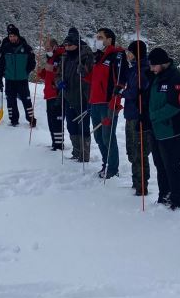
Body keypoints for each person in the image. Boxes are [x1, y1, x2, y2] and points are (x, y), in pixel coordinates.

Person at [148, 47, 180, 210]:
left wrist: (153, 116)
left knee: (171, 165)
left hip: (173, 130)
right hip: (157, 129)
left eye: (153, 65)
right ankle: (163, 193)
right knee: (159, 164)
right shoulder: (157, 77)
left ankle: (176, 198)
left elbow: (175, 105)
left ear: (162, 63)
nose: (151, 69)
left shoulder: (174, 77)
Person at [89, 28, 128, 179]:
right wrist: (84, 73)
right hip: (95, 102)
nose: (97, 40)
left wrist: (116, 100)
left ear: (109, 39)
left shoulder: (116, 55)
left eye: (101, 37)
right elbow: (93, 79)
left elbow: (121, 79)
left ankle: (113, 168)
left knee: (108, 136)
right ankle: (106, 163)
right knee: (98, 137)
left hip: (108, 102)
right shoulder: (97, 56)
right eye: (97, 37)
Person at [59, 28, 94, 162]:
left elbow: (91, 72)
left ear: (76, 44)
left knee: (83, 126)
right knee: (71, 125)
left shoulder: (86, 55)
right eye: (65, 45)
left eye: (69, 45)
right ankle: (76, 151)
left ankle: (84, 155)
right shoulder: (65, 57)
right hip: (68, 96)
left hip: (82, 96)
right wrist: (59, 82)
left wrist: (84, 70)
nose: (67, 47)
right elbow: (58, 73)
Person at [123, 40, 152, 195]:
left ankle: (142, 184)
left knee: (139, 152)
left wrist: (122, 93)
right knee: (131, 151)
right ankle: (135, 181)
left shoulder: (143, 70)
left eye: (130, 52)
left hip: (138, 115)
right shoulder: (133, 69)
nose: (128, 55)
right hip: (130, 114)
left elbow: (135, 92)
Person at [0, 24, 37, 127]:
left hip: (22, 80)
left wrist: (26, 72)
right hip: (9, 80)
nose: (12, 38)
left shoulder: (26, 48)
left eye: (14, 36)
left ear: (18, 36)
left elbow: (32, 62)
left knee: (26, 100)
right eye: (10, 36)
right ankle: (13, 120)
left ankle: (31, 119)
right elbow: (1, 64)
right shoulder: (5, 48)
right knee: (10, 101)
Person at [37, 37, 65, 150]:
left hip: (57, 93)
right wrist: (41, 73)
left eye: (48, 47)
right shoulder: (51, 57)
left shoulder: (60, 56)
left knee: (56, 120)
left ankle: (59, 144)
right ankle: (54, 142)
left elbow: (60, 73)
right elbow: (48, 76)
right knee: (51, 120)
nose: (46, 50)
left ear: (54, 46)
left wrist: (51, 69)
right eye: (45, 48)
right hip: (49, 93)